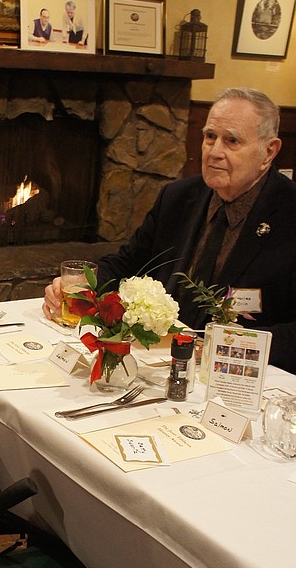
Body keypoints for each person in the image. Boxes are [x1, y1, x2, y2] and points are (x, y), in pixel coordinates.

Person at [43, 87, 296, 374]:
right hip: (157, 361)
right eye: (209, 137)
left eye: (232, 141)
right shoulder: (178, 198)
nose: (214, 152)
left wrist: (226, 347)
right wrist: (82, 284)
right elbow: (129, 263)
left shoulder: (289, 214)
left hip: (245, 378)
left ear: (269, 151)